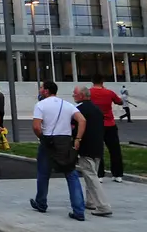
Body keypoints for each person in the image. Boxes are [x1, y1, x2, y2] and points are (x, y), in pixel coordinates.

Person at [29, 81, 87, 221]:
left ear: (46, 91)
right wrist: (78, 139)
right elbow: (82, 120)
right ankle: (79, 210)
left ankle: (41, 202)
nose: (40, 89)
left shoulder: (40, 105)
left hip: (48, 141)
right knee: (71, 174)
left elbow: (36, 127)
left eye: (42, 87)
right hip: (65, 141)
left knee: (43, 173)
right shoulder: (67, 105)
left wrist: (42, 137)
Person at [72, 87, 112, 216]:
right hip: (97, 147)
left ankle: (103, 205)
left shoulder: (79, 110)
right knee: (92, 174)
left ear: (82, 95)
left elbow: (74, 127)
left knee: (91, 176)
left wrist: (76, 139)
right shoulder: (97, 110)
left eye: (75, 94)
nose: (73, 95)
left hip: (86, 147)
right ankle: (91, 201)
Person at [89, 75, 125, 182]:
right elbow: (119, 102)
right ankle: (117, 174)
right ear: (102, 81)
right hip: (110, 124)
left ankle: (100, 174)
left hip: (96, 124)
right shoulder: (109, 92)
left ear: (92, 81)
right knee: (115, 150)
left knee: (97, 150)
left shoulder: (89, 92)